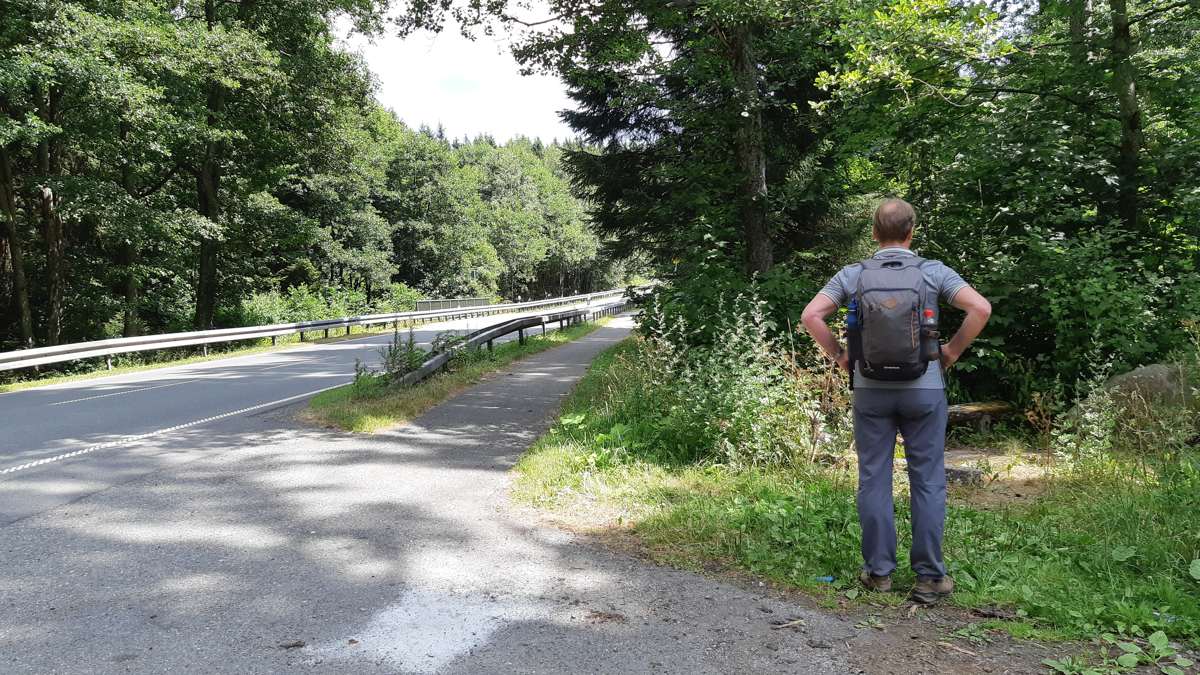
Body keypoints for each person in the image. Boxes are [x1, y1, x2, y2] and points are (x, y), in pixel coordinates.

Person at [800, 198, 992, 604]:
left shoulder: (853, 275)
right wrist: (951, 352)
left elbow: (811, 316)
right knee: (927, 479)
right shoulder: (931, 271)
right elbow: (980, 308)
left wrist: (839, 356)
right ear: (911, 232)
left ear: (874, 232)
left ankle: (879, 573)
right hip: (924, 388)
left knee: (874, 479)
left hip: (870, 390)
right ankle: (929, 577)